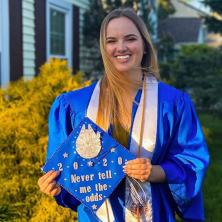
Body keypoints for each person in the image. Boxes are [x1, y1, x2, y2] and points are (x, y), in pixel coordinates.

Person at [37, 8, 209, 222]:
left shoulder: (173, 103)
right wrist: (56, 186)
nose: (121, 47)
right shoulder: (73, 106)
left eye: (130, 39)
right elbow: (67, 173)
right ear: (104, 47)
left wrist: (154, 172)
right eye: (111, 41)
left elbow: (191, 162)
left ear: (144, 45)